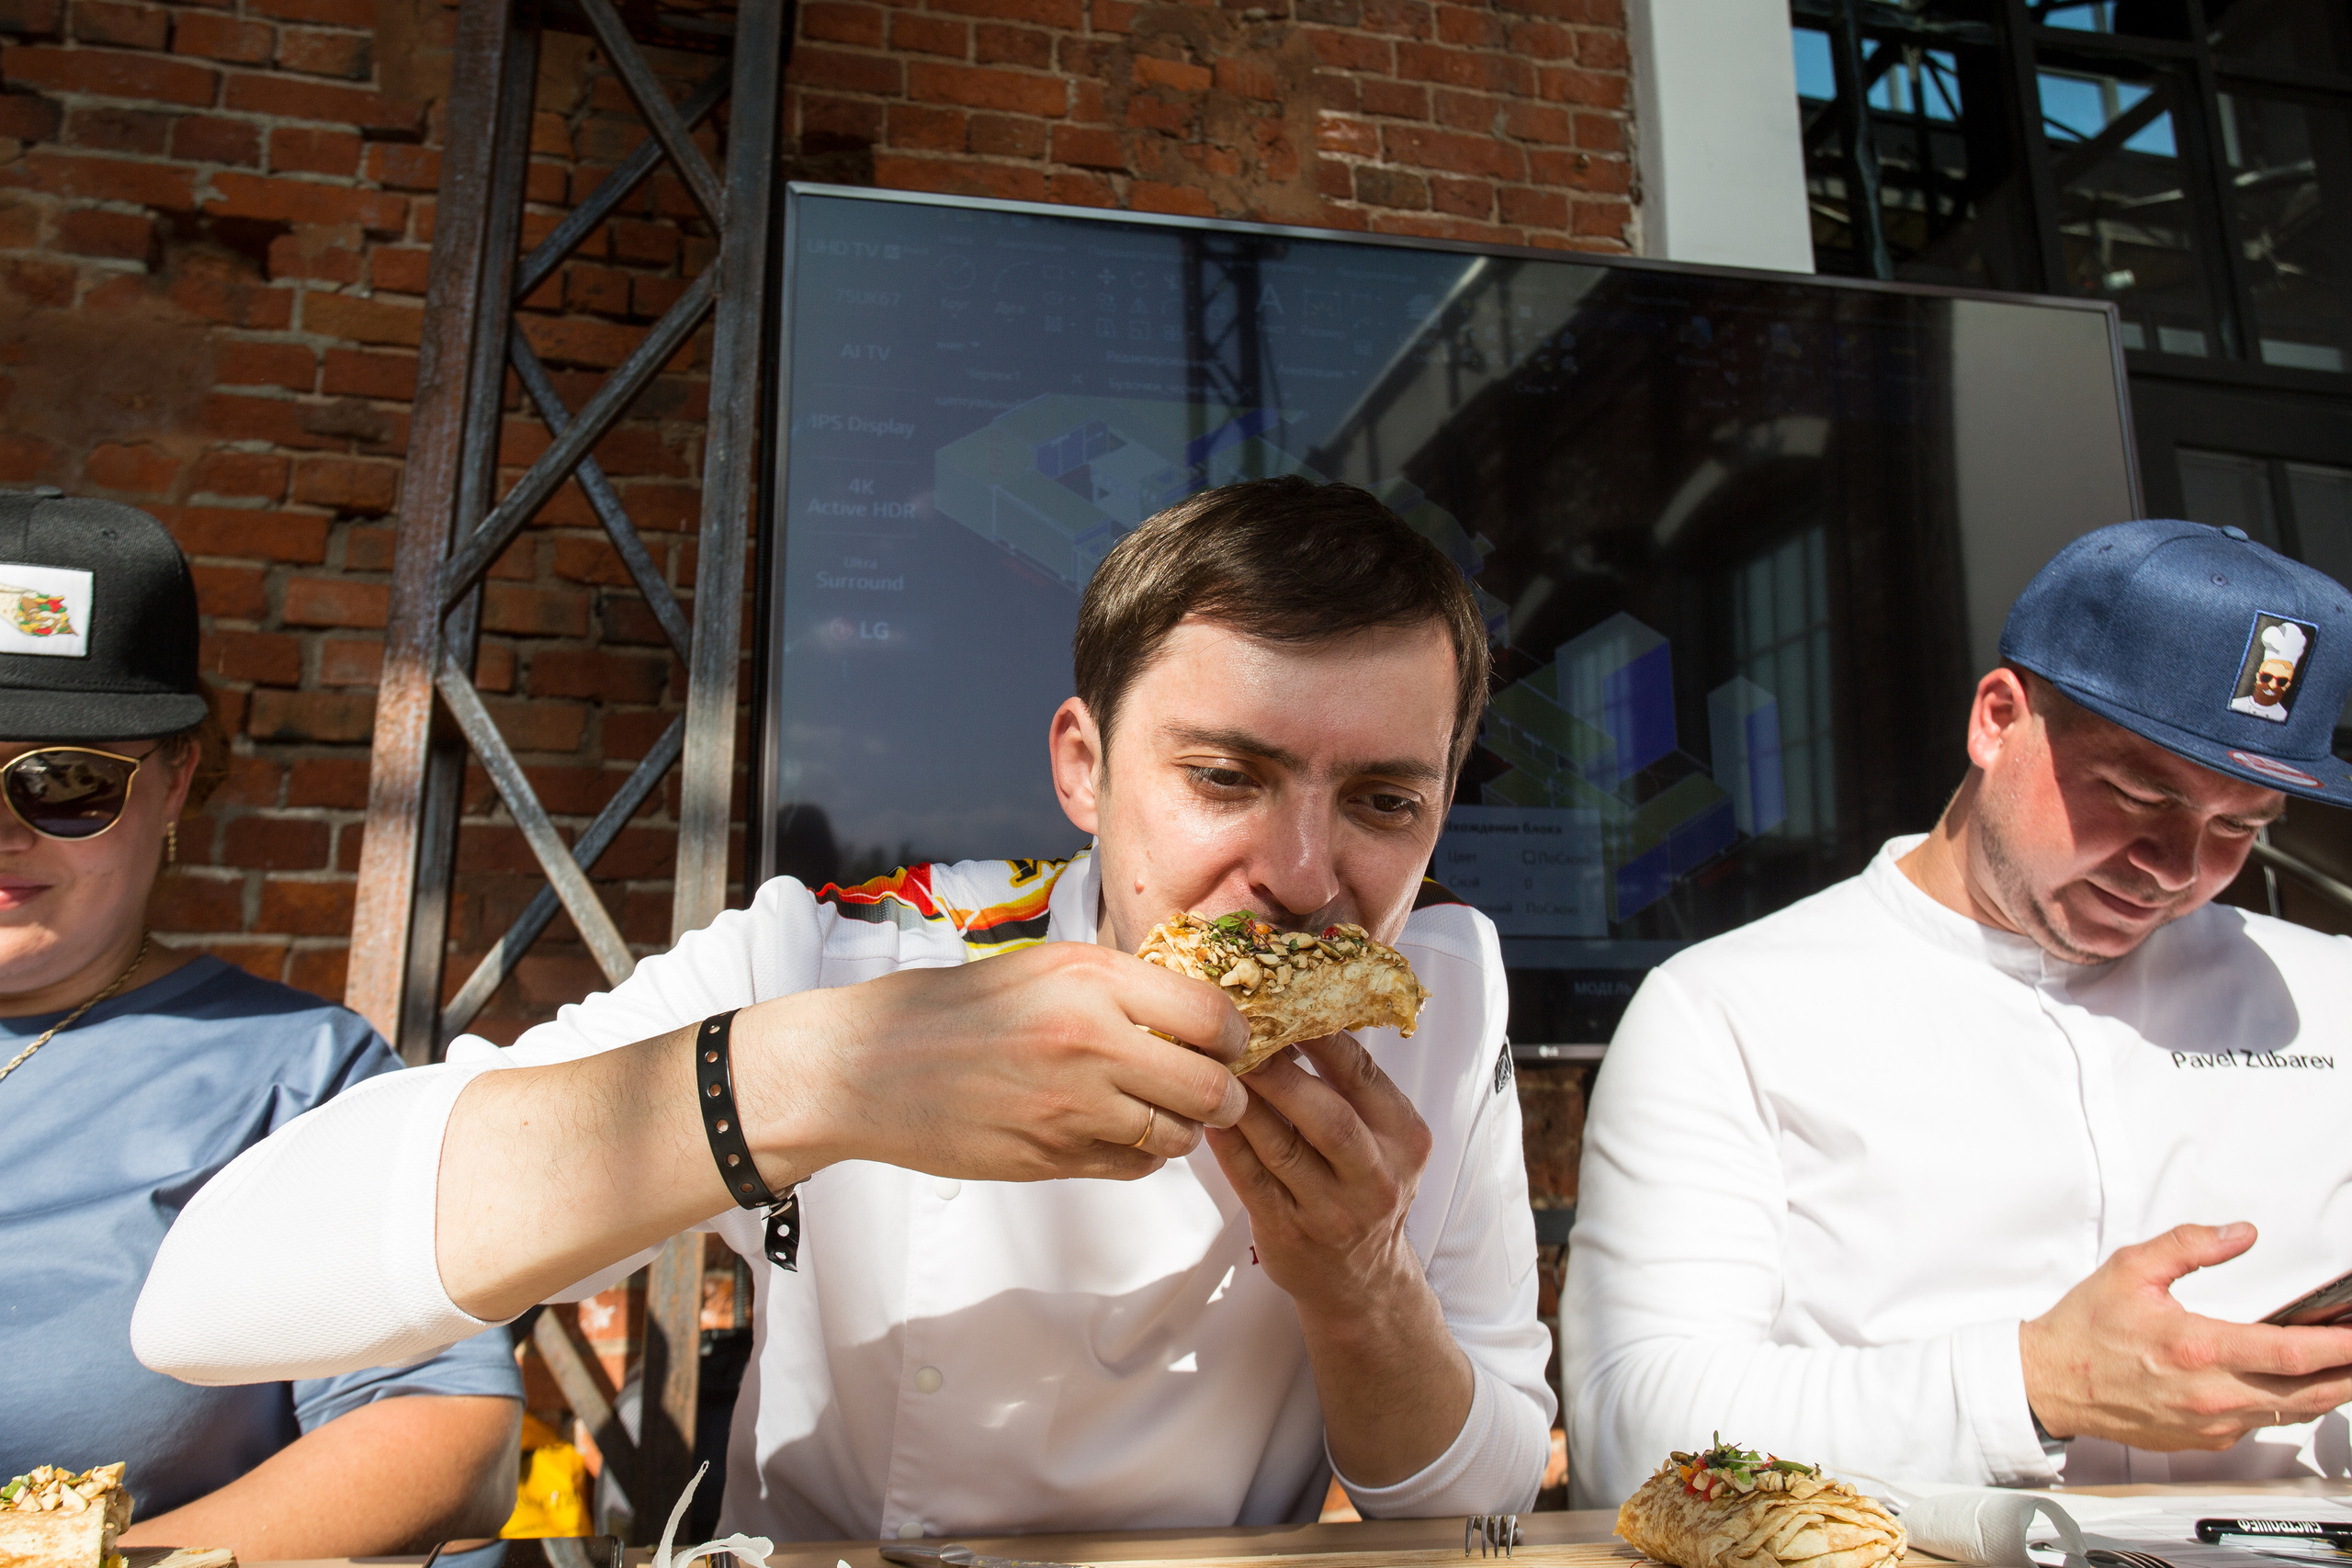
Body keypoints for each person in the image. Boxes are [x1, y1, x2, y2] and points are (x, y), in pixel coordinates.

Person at [133, 478, 1555, 1540]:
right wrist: (811, 1079)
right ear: (1083, 765)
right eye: (1226, 778)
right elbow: (210, 1296)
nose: (1306, 875)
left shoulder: (1448, 1004)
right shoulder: (854, 961)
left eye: (1382, 800)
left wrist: (1360, 1280)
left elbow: (1484, 1502)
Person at [1562, 518, 2352, 1506]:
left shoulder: (2329, 998)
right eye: (2135, 794)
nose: (2180, 869)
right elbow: (1627, 1436)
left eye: (2237, 827)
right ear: (1996, 719)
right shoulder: (1726, 1012)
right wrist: (2034, 1384)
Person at [0, 492, 526, 1557]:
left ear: (176, 781)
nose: (3, 833)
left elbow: (439, 1433)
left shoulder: (297, 1080)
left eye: (64, 783)